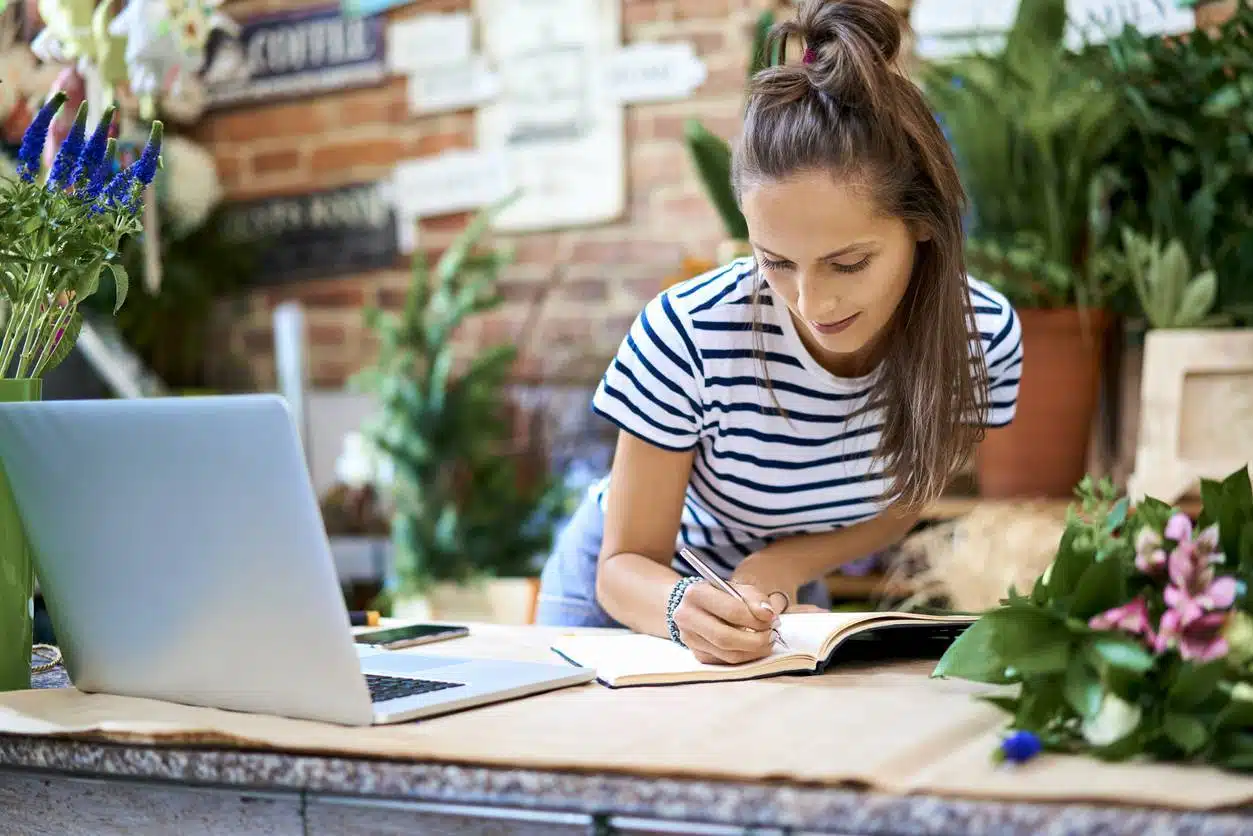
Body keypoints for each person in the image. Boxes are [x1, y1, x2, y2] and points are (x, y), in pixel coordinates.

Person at [535, 0, 1023, 665]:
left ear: (922, 224)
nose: (809, 301)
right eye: (775, 262)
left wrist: (782, 563)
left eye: (847, 263)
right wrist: (683, 606)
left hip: (774, 602)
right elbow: (621, 565)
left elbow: (907, 498)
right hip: (627, 602)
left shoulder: (980, 340)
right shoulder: (689, 332)